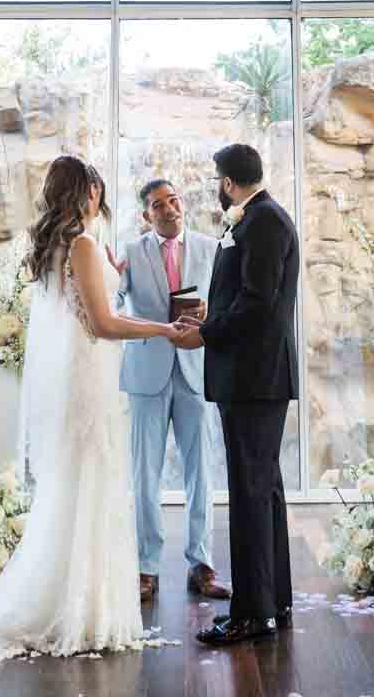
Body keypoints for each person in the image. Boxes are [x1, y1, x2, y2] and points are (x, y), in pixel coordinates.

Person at [0, 156, 184, 660]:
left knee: (77, 490)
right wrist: (164, 330)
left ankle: (77, 599)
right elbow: (102, 325)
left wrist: (112, 275)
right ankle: (83, 608)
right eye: (95, 187)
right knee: (91, 485)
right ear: (87, 193)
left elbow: (83, 306)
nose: (99, 194)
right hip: (88, 386)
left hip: (80, 381)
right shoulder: (81, 244)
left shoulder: (60, 246)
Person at [175, 142, 300, 647]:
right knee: (262, 490)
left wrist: (205, 334)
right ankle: (274, 603)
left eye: (216, 179)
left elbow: (258, 304)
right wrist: (211, 314)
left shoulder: (264, 221)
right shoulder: (256, 220)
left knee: (252, 494)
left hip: (254, 381)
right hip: (253, 378)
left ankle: (252, 614)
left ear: (227, 182)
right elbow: (247, 298)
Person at [118, 177, 229, 604]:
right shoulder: (129, 253)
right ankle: (146, 567)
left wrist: (210, 310)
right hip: (147, 373)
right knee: (144, 474)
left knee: (201, 471)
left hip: (196, 371)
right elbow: (112, 301)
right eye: (158, 205)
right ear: (147, 215)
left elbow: (227, 303)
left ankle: (201, 564)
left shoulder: (210, 249)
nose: (169, 209)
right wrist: (110, 279)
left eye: (173, 200)